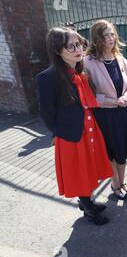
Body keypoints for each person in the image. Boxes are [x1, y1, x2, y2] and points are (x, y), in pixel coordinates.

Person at [36, 27, 113, 225]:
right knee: (80, 172)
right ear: (57, 51)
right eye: (70, 46)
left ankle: (87, 201)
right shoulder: (47, 77)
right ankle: (89, 209)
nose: (78, 49)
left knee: (88, 168)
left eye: (79, 44)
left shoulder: (80, 70)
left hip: (89, 129)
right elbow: (47, 112)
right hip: (71, 134)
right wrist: (59, 132)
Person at [84, 19, 127, 200]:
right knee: (111, 151)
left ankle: (122, 182)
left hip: (124, 112)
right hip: (105, 115)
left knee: (123, 149)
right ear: (97, 38)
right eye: (106, 35)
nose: (111, 38)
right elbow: (88, 93)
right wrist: (110, 101)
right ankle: (115, 183)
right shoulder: (88, 62)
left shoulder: (121, 60)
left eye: (112, 34)